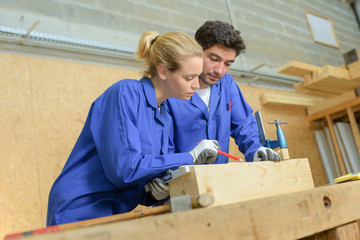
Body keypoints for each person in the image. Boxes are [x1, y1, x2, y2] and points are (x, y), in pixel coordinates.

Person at [46, 31, 220, 226]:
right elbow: (125, 170)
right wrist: (190, 156)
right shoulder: (125, 94)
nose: (196, 85)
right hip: (80, 209)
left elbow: (142, 177)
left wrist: (154, 191)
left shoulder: (165, 116)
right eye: (189, 78)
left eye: (197, 77)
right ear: (163, 71)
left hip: (115, 212)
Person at [165, 20, 281, 164]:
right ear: (197, 52)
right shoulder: (171, 91)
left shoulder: (226, 84)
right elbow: (163, 149)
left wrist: (256, 150)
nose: (219, 71)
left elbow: (243, 125)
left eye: (227, 64)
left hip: (220, 177)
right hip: (185, 180)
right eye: (214, 59)